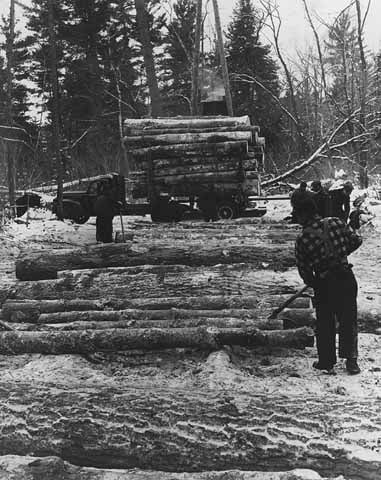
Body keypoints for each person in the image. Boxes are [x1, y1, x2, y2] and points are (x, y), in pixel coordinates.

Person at [293, 192, 362, 375]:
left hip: (325, 283)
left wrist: (315, 282)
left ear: (304, 215)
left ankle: (326, 361)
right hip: (346, 277)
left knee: (325, 322)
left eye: (297, 215)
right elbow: (356, 240)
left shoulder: (302, 239)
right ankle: (351, 362)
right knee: (348, 320)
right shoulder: (336, 222)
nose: (297, 219)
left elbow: (304, 271)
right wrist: (341, 254)